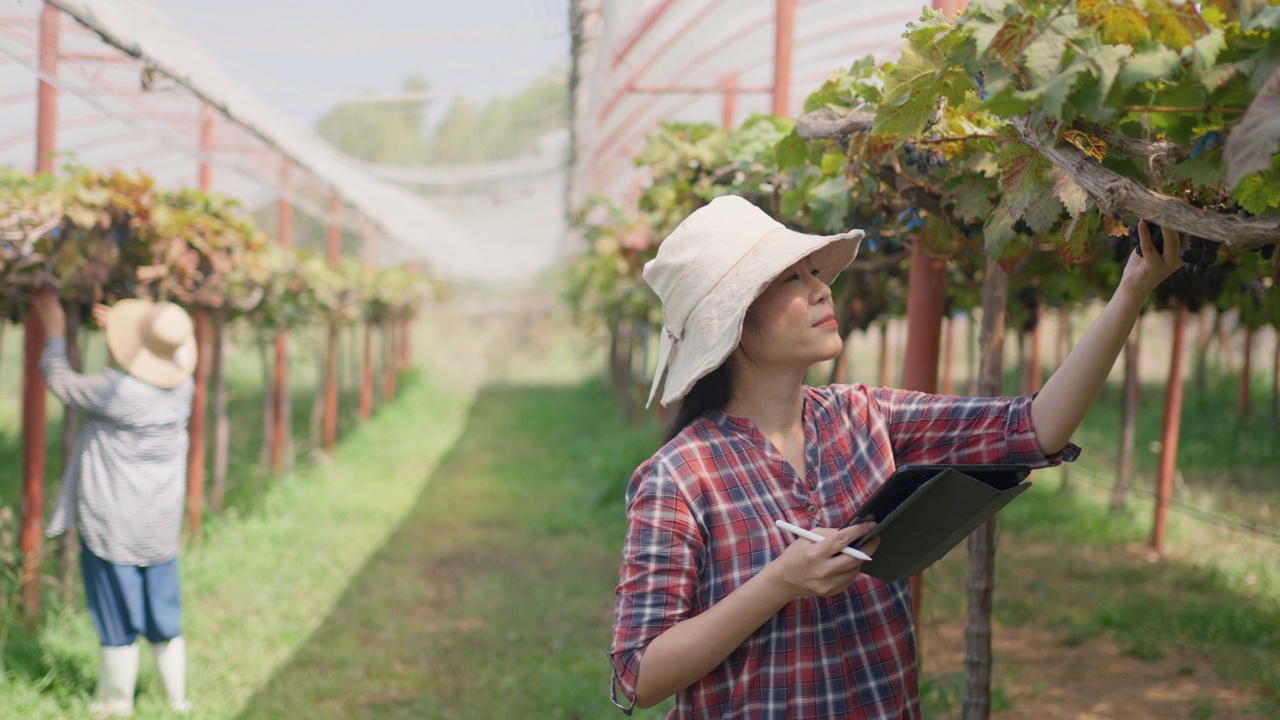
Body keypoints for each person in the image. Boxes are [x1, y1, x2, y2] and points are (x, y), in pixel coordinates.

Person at [608, 195, 1185, 718]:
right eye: (791, 278)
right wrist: (781, 582)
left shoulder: (866, 418)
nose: (820, 289)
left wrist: (1132, 289)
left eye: (816, 272)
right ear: (732, 322)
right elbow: (639, 675)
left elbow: (1034, 428)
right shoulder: (681, 476)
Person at [32, 289, 197, 717]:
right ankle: (178, 699)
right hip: (159, 522)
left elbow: (63, 382)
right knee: (163, 610)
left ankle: (114, 703)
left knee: (115, 614)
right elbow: (139, 370)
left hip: (114, 524)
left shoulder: (116, 391)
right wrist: (124, 339)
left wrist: (53, 334)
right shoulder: (184, 383)